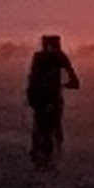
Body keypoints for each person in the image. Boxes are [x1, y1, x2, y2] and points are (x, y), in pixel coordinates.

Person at [26, 32, 80, 167]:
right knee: (54, 125)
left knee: (39, 124)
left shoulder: (38, 57)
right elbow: (75, 81)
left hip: (38, 96)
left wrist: (31, 95)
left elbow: (32, 78)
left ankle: (38, 154)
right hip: (52, 96)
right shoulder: (60, 57)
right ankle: (55, 155)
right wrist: (67, 85)